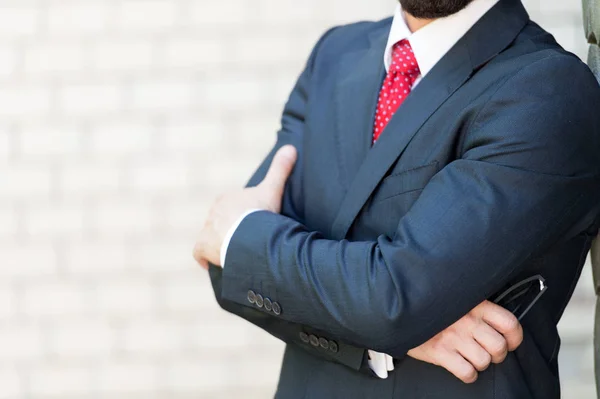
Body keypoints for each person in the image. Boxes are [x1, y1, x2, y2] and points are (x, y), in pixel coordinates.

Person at [193, 0, 600, 397]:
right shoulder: (334, 56)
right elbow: (229, 268)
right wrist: (387, 329)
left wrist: (390, 318)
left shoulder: (546, 89)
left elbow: (390, 300)